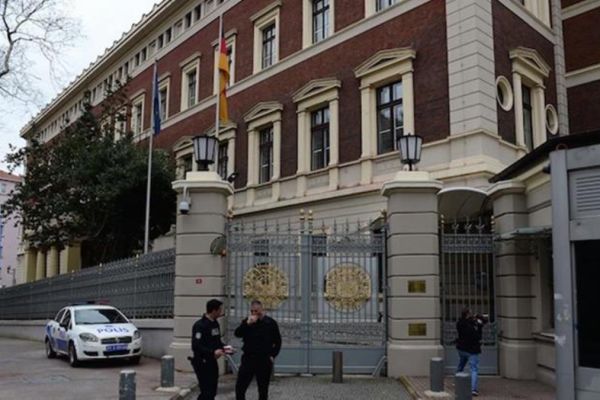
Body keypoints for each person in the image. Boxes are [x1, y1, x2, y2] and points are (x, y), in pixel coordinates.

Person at [234, 300, 282, 400]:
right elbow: (237, 333)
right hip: (249, 358)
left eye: (256, 311)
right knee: (240, 387)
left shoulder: (270, 323)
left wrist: (273, 355)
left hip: (264, 359)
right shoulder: (247, 321)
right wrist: (247, 324)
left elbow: (278, 341)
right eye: (252, 311)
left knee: (263, 389)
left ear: (262, 310)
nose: (254, 313)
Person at [190, 299, 232, 400]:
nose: (221, 312)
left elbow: (217, 341)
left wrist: (225, 348)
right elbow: (196, 346)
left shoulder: (215, 323)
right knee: (206, 391)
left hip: (212, 362)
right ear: (214, 311)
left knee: (212, 391)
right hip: (202, 362)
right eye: (220, 310)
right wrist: (212, 352)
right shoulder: (200, 325)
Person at [456, 307, 488, 397]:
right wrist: (480, 327)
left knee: (461, 364)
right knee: (474, 369)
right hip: (471, 351)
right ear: (467, 314)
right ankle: (473, 389)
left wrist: (475, 319)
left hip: (461, 349)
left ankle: (457, 380)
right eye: (470, 313)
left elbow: (468, 323)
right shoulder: (470, 327)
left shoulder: (459, 323)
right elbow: (478, 337)